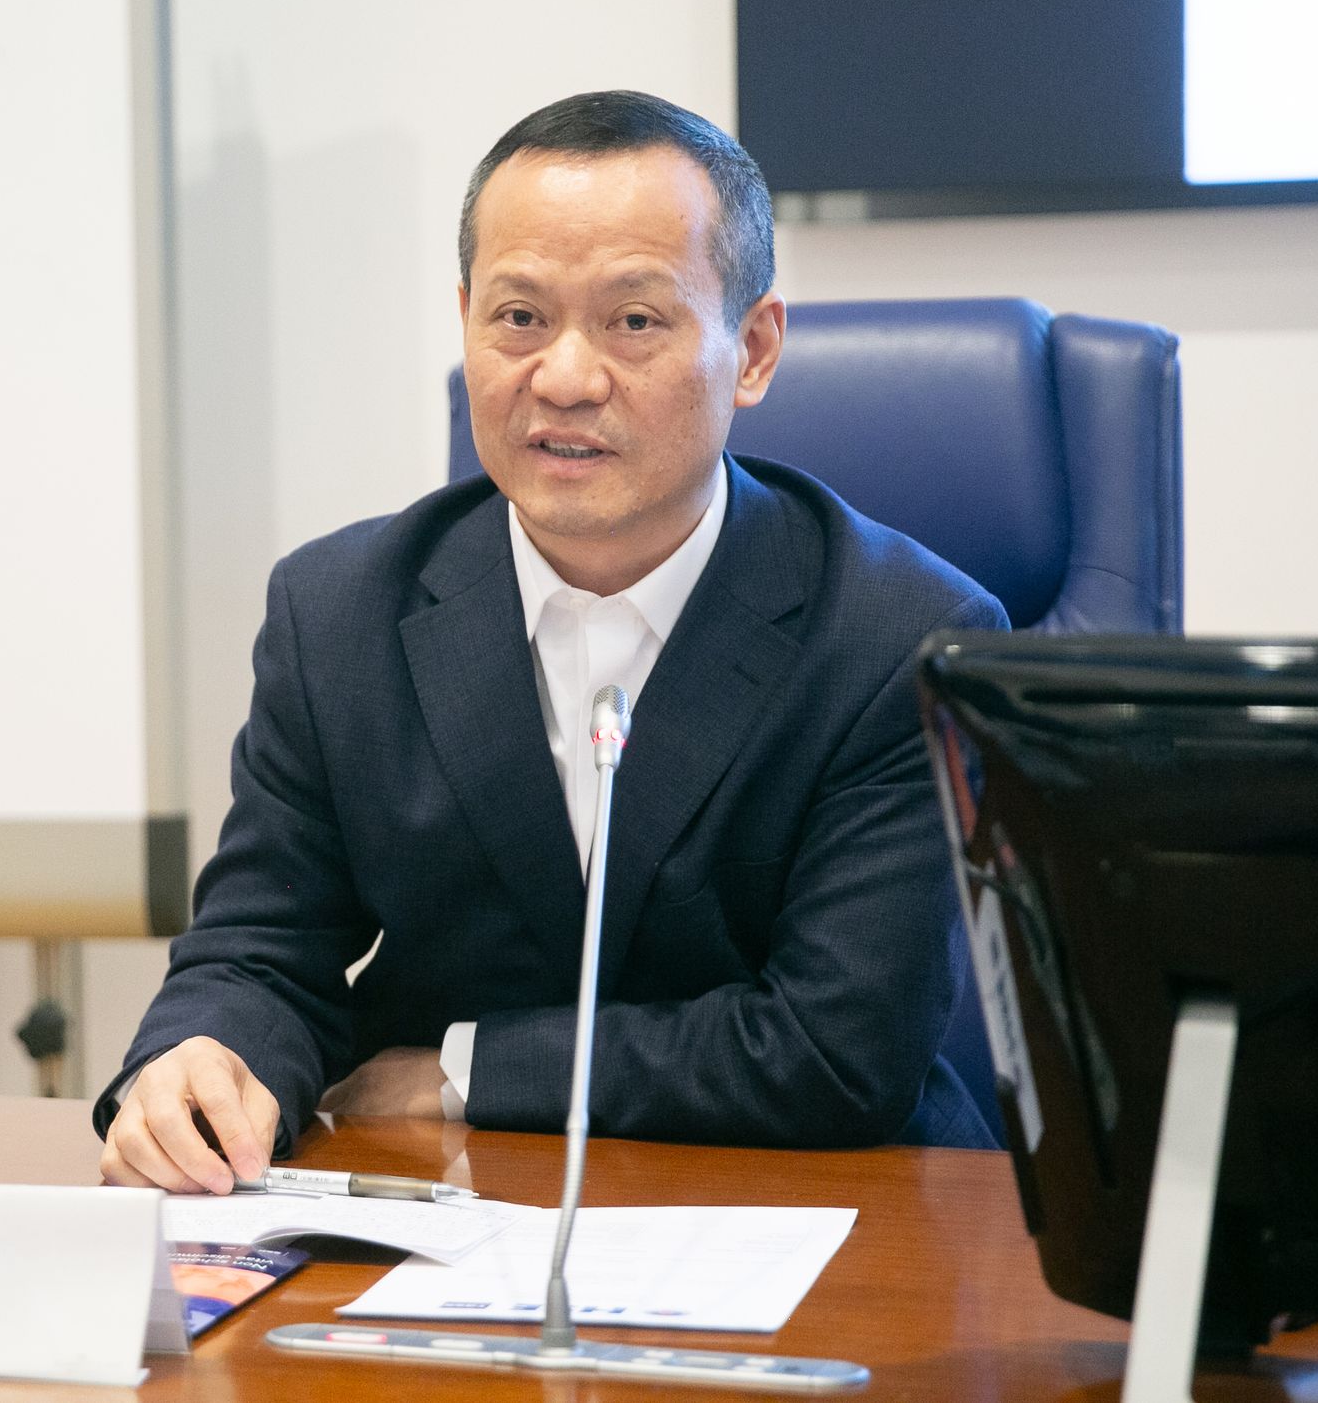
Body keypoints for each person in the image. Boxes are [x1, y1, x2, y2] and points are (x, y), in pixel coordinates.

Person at [96, 90, 1007, 1194]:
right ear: (466, 323)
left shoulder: (900, 637)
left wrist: (465, 1070)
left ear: (753, 349)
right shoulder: (338, 613)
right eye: (520, 317)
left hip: (830, 1214)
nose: (565, 379)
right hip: (444, 1211)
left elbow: (835, 1050)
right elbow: (257, 953)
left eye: (634, 321)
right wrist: (200, 1056)